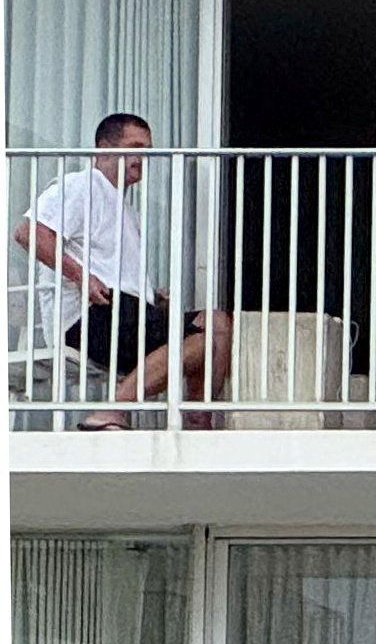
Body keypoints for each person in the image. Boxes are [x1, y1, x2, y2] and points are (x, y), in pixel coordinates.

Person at [16, 113, 231, 430]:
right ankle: (112, 410)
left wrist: (150, 297)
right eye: (135, 147)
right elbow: (29, 232)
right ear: (104, 149)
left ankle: (198, 419)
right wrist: (81, 276)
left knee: (217, 322)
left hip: (124, 311)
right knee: (202, 342)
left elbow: (111, 266)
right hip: (91, 315)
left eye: (147, 149)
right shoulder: (81, 186)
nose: (143, 157)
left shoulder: (123, 206)